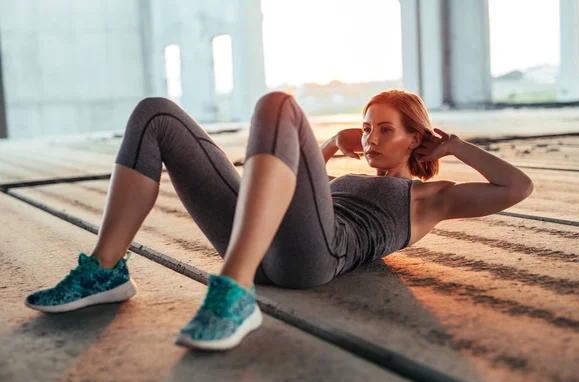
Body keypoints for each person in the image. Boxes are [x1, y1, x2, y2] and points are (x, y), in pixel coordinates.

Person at [24, 90, 534, 351]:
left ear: (415, 138)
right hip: (263, 242)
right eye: (365, 127)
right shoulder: (341, 168)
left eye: (384, 129)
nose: (371, 137)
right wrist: (332, 146)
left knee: (278, 105)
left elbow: (517, 188)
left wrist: (458, 147)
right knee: (156, 114)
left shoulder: (429, 198)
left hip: (316, 257)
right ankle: (105, 270)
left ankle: (232, 292)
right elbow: (283, 171)